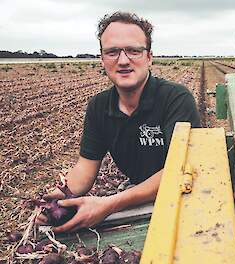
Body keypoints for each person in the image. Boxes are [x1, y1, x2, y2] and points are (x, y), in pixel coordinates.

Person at [37, 11, 201, 232]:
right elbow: (85, 169)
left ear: (149, 57)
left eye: (134, 50)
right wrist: (58, 199)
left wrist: (109, 204)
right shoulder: (99, 106)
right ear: (102, 59)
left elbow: (179, 169)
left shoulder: (176, 99)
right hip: (138, 195)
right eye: (112, 52)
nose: (123, 61)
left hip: (183, 191)